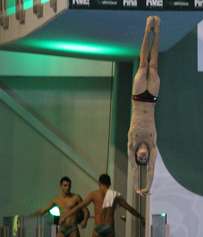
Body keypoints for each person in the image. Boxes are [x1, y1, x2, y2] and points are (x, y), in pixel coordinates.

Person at [128, 16, 160, 196]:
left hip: (138, 98)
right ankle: (158, 30)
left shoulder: (132, 144)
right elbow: (150, 170)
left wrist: (136, 187)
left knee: (142, 64)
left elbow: (134, 170)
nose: (143, 156)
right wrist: (147, 187)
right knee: (153, 65)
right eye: (144, 158)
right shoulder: (152, 145)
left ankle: (148, 29)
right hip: (151, 99)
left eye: (141, 158)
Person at [60, 174, 144, 237]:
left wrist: (66, 215)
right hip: (109, 227)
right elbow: (129, 208)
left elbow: (79, 207)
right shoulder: (115, 195)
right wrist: (141, 217)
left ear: (99, 183)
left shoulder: (93, 194)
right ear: (109, 184)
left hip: (98, 227)